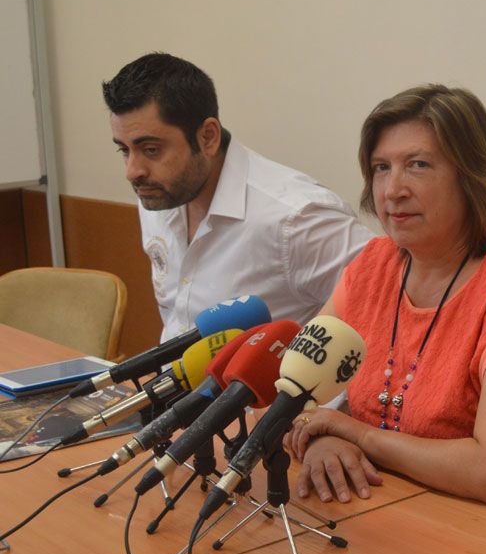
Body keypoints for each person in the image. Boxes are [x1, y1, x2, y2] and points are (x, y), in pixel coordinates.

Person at [283, 84, 486, 517]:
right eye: (380, 168)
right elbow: (294, 394)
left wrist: (357, 435)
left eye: (418, 165)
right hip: (398, 501)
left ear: (472, 177)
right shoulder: (372, 265)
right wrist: (320, 437)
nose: (393, 189)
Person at [105, 53, 373, 339]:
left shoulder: (295, 217)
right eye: (124, 150)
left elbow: (388, 297)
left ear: (208, 137)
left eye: (151, 150)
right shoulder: (158, 195)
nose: (133, 172)